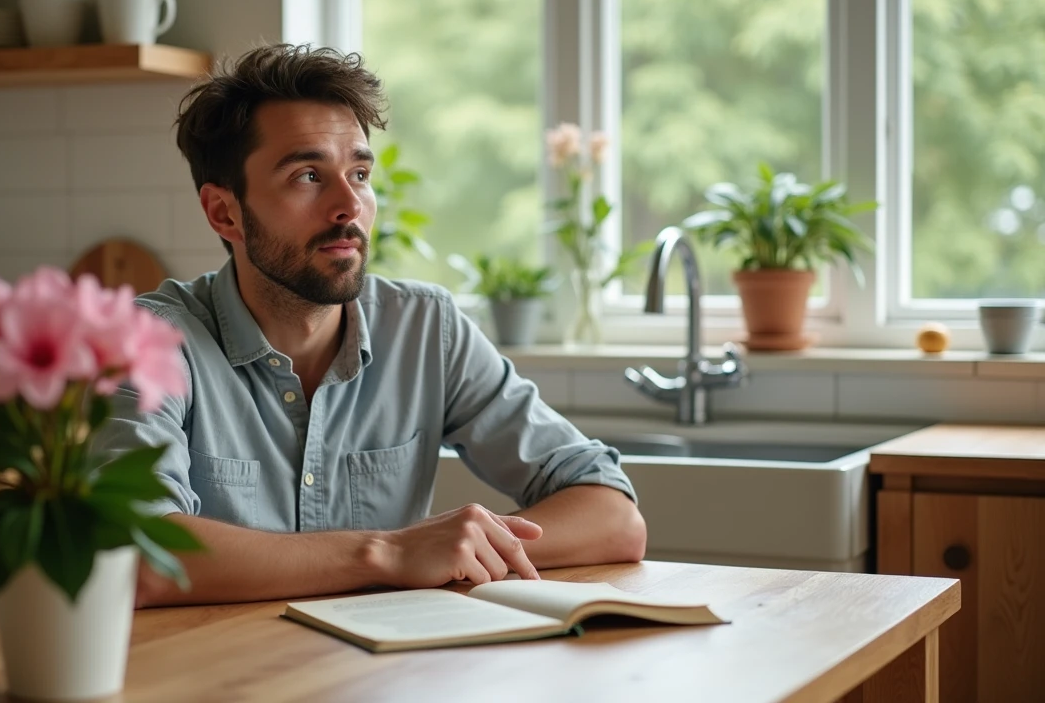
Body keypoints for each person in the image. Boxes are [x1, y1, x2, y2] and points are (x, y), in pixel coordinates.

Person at [93, 43, 647, 608]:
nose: (348, 205)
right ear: (224, 212)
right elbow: (134, 554)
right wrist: (389, 552)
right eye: (308, 175)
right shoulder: (149, 342)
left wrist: (473, 545)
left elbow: (613, 517)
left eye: (359, 173)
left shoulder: (426, 329)